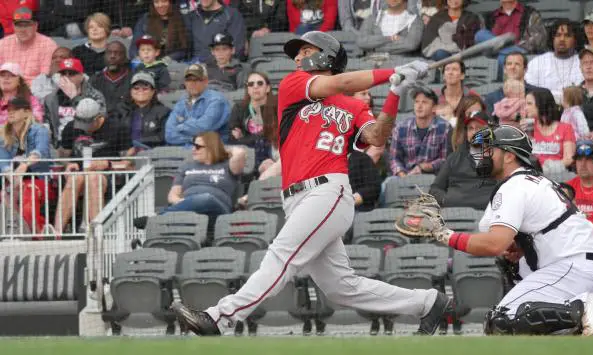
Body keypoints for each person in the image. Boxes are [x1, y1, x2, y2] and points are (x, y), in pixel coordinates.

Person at [171, 30, 453, 336]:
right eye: (298, 52)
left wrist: (395, 94)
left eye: (306, 51)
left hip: (327, 190)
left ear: (327, 57)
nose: (297, 57)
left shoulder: (355, 106)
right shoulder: (294, 85)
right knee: (341, 287)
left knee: (282, 254)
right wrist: (390, 73)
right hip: (296, 197)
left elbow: (377, 137)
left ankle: (220, 317)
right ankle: (426, 302)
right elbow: (341, 83)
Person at [398, 124, 593, 336]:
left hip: (572, 263)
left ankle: (579, 308)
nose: (483, 155)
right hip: (575, 261)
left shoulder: (515, 186)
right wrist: (520, 247)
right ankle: (576, 322)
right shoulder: (527, 181)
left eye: (490, 149)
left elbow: (494, 244)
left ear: (509, 156)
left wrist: (444, 234)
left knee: (502, 320)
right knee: (511, 325)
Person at [53, 98, 133, 235]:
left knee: (93, 178)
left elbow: (130, 162)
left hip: (108, 174)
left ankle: (96, 231)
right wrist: (68, 164)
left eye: (88, 123)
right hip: (79, 172)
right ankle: (57, 231)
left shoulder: (117, 128)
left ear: (98, 118)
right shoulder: (71, 128)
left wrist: (107, 164)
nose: (84, 128)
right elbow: (62, 157)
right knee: (74, 180)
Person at [158, 131, 246, 220]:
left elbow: (240, 153)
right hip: (187, 206)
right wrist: (183, 202)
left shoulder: (228, 165)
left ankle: (159, 217)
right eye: (193, 146)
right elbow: (172, 196)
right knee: (200, 201)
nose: (193, 149)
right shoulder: (187, 166)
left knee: (206, 198)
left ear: (211, 148)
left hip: (218, 210)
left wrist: (223, 149)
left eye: (198, 147)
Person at [0, 97, 52, 235]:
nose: (11, 113)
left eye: (15, 110)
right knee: (4, 194)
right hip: (16, 182)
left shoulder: (40, 130)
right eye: (8, 110)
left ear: (27, 112)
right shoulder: (4, 135)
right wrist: (14, 180)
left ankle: (38, 234)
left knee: (29, 190)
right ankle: (18, 230)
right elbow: (4, 164)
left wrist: (24, 165)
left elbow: (41, 152)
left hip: (41, 181)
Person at [430, 109, 497, 210]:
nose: (474, 132)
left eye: (479, 128)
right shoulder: (454, 158)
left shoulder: (499, 157)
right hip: (454, 213)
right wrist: (445, 199)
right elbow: (435, 189)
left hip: (487, 214)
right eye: (470, 128)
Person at [389, 85, 452, 176]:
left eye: (424, 102)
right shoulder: (400, 127)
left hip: (434, 177)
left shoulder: (445, 127)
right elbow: (394, 159)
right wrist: (403, 176)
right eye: (416, 102)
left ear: (434, 107)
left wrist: (425, 167)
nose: (419, 105)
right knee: (387, 184)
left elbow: (446, 159)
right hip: (406, 176)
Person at [165, 63, 231, 146]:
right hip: (184, 151)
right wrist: (192, 139)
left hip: (212, 150)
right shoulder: (182, 101)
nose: (192, 83)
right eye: (189, 80)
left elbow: (203, 129)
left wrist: (179, 127)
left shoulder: (217, 100)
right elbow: (169, 134)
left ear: (206, 81)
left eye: (197, 79)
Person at [524, 19, 584, 104]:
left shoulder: (584, 62)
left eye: (567, 35)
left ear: (575, 40)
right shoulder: (538, 62)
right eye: (558, 35)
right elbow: (531, 91)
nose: (562, 39)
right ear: (552, 39)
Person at [228, 72, 275, 170]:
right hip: (248, 154)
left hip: (272, 153)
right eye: (251, 84)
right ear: (248, 89)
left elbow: (272, 135)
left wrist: (245, 138)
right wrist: (259, 137)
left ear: (268, 88)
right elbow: (233, 138)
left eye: (260, 83)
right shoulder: (239, 108)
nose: (255, 87)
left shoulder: (276, 107)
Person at [113, 72, 170, 152]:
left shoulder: (163, 112)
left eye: (145, 88)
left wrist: (137, 145)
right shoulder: (120, 109)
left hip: (150, 153)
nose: (140, 91)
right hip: (122, 152)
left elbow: (162, 137)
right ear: (130, 91)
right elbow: (113, 135)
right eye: (136, 88)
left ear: (153, 91)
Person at [0, 7, 57, 85]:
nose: (23, 30)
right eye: (19, 25)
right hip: (6, 91)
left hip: (35, 92)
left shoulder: (48, 44)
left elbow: (45, 79)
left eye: (27, 25)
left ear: (36, 26)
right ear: (13, 26)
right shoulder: (3, 44)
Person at [526, 89, 575, 173]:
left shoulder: (565, 128)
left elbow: (569, 158)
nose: (526, 108)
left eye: (529, 104)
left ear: (542, 104)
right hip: (532, 177)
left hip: (557, 176)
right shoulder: (527, 128)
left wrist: (546, 169)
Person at [356, 0, 422, 56]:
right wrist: (390, 38)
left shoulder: (415, 20)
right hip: (371, 63)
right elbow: (361, 41)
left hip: (402, 64)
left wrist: (374, 49)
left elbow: (411, 45)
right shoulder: (372, 18)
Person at [89, 41, 133, 115]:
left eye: (117, 53)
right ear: (104, 57)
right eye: (109, 53)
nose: (112, 56)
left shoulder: (133, 80)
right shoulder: (94, 80)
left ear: (125, 58)